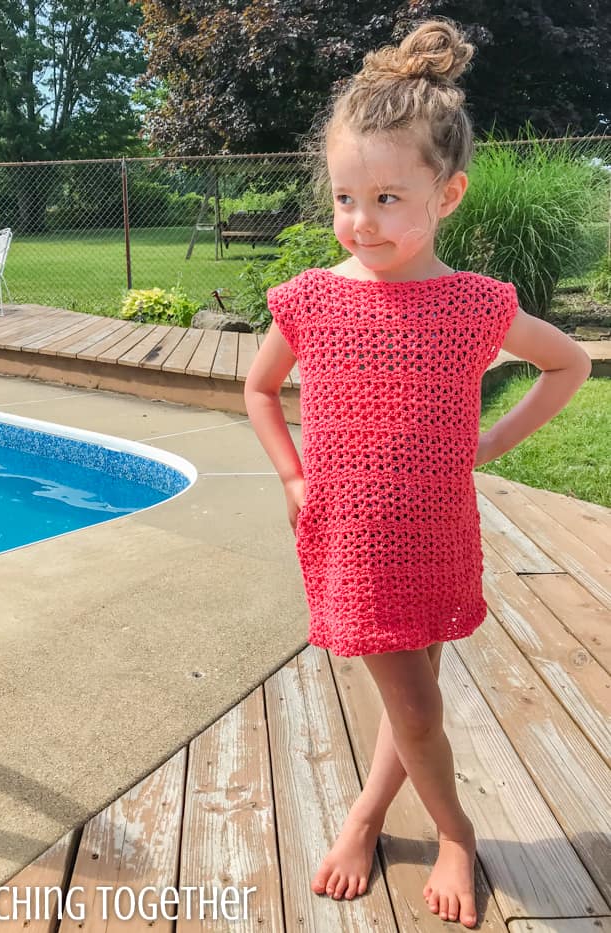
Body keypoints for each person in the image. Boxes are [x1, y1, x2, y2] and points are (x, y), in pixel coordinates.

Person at [243, 15, 593, 929]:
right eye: (347, 197)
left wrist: (484, 444)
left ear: (449, 192)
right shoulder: (314, 300)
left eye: (389, 198)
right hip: (353, 541)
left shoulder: (477, 306)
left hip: (437, 533)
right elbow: (258, 387)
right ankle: (455, 830)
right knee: (420, 706)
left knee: (418, 696)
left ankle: (367, 814)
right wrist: (291, 476)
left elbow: (570, 363)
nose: (361, 221)